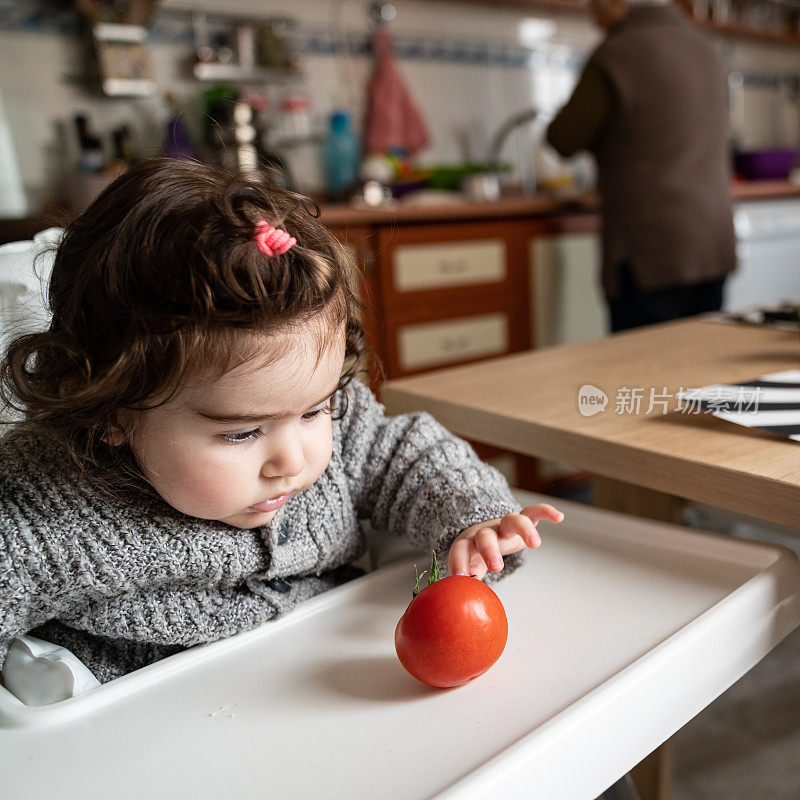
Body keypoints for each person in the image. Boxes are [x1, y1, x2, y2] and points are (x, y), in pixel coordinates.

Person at [0, 158, 563, 685]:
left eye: (316, 409)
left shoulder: (337, 432)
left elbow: (404, 453)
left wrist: (473, 518)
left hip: (338, 688)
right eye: (241, 432)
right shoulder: (40, 511)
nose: (295, 460)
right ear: (108, 409)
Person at [546, 0, 736, 333]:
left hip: (652, 249)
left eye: (596, 4)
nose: (592, 13)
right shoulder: (707, 50)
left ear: (619, 4)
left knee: (645, 375)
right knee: (700, 368)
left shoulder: (617, 53)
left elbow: (564, 137)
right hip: (712, 241)